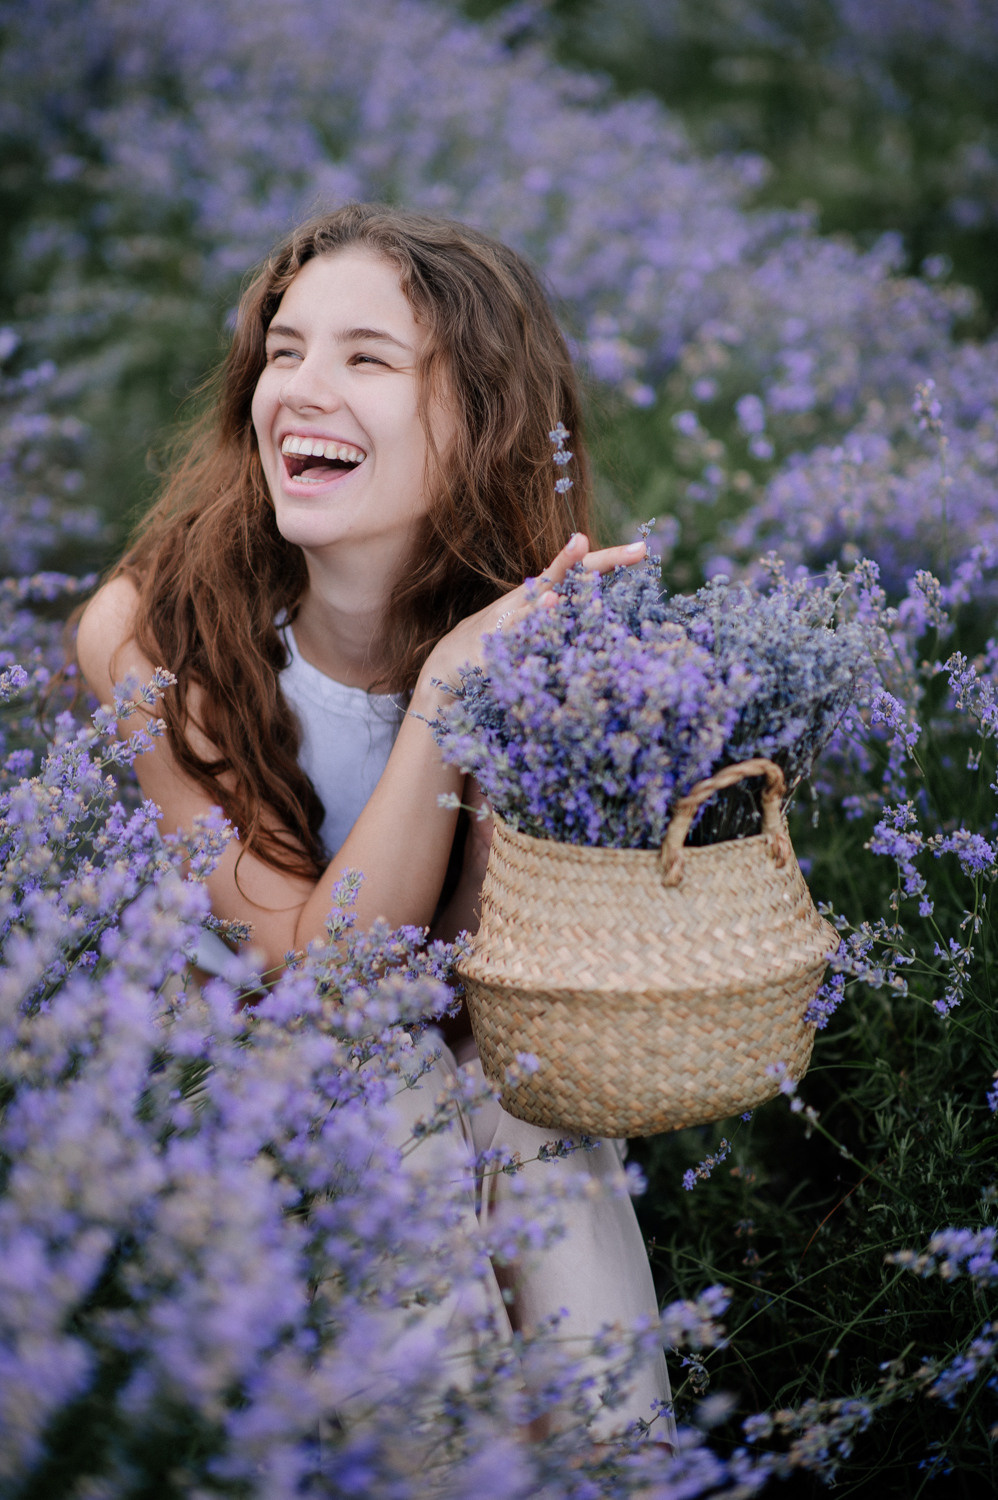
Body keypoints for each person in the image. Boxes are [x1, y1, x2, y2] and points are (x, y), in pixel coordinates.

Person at [76, 202, 675, 1446]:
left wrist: (546, 711)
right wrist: (449, 697)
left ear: (482, 417)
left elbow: (495, 994)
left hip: (450, 1060)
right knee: (387, 1085)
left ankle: (614, 1458)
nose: (300, 387)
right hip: (236, 1077)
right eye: (283, 350)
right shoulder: (154, 632)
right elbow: (320, 979)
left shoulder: (530, 630)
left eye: (366, 358)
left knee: (514, 1099)